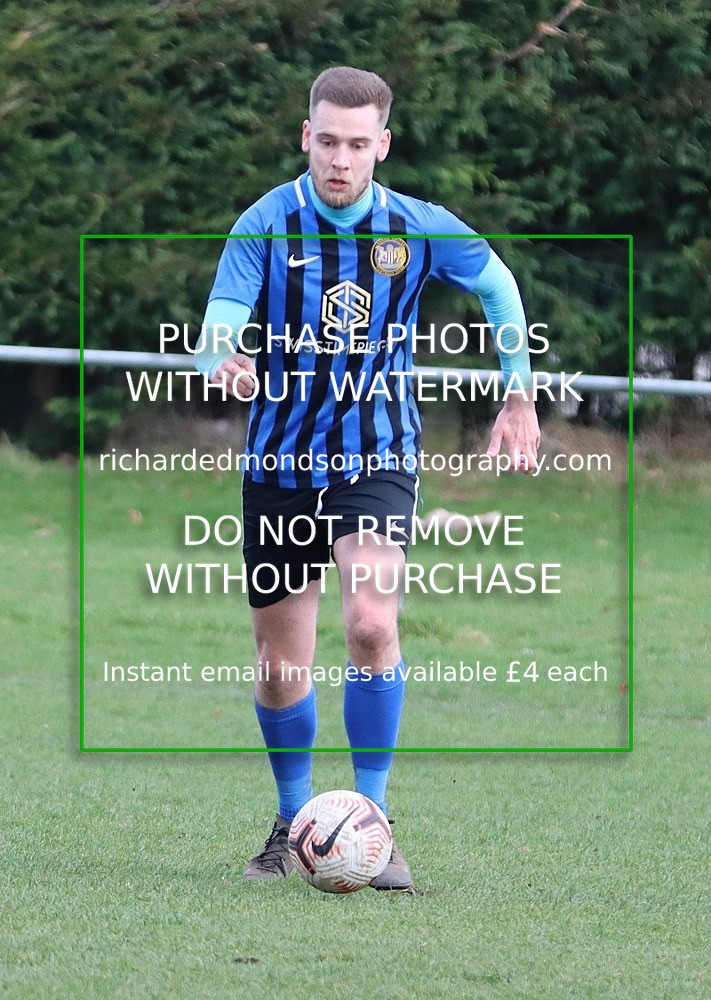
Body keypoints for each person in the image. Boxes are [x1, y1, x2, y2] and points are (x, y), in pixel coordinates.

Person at [196, 66, 540, 890]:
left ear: (381, 145)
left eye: (357, 144)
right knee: (282, 663)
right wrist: (224, 362)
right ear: (304, 138)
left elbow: (497, 288)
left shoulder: (415, 228)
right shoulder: (265, 224)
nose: (339, 159)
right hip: (279, 465)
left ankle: (372, 823)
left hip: (376, 457)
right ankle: (291, 822)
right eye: (326, 141)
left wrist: (518, 390)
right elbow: (217, 324)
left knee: (371, 625)